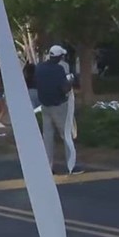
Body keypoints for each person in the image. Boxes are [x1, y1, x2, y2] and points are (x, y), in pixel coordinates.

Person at [34, 45, 83, 175]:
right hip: (59, 106)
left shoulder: (40, 67)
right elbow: (64, 89)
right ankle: (71, 165)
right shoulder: (59, 69)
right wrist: (70, 80)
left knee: (48, 137)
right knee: (66, 135)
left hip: (45, 106)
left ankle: (47, 166)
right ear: (59, 57)